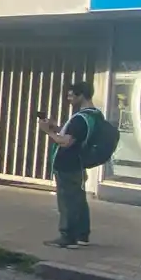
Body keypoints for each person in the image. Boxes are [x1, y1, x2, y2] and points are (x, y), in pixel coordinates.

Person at [40, 81, 101, 249]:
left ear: (81, 95)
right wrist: (57, 127)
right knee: (79, 200)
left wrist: (48, 131)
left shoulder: (80, 119)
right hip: (78, 163)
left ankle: (68, 236)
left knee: (67, 201)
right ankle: (82, 235)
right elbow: (75, 135)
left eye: (71, 95)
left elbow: (66, 142)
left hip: (68, 165)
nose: (68, 99)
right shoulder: (94, 115)